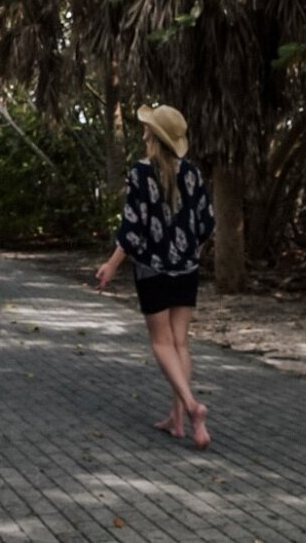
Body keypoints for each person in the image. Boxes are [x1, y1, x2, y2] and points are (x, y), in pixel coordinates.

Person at [95, 103, 216, 449]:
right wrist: (190, 253)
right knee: (180, 342)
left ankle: (192, 407)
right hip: (186, 269)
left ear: (153, 135)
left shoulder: (141, 172)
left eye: (147, 126)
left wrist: (113, 264)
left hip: (153, 269)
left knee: (161, 343)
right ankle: (177, 420)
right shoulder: (192, 173)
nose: (143, 130)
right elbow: (207, 224)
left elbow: (133, 227)